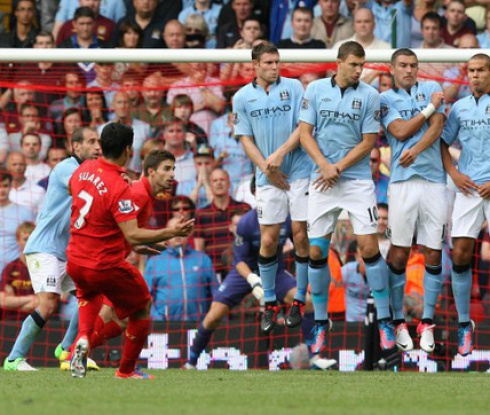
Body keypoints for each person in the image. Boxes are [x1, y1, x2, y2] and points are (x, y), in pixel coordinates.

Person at [66, 122, 194, 379]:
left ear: (101, 146)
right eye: (167, 169)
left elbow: (94, 207)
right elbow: (132, 232)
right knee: (142, 306)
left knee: (99, 304)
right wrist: (173, 232)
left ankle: (81, 343)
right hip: (104, 263)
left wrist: (145, 244)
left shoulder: (84, 169)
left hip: (77, 258)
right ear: (129, 150)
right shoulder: (126, 190)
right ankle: (125, 371)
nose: (171, 174)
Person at [299, 41, 392, 355]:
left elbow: (368, 143)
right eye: (354, 64)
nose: (359, 70)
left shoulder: (369, 95)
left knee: (368, 248)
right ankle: (322, 322)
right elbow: (305, 133)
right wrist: (324, 166)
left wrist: (336, 167)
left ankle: (384, 320)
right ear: (339, 62)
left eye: (362, 65)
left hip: (355, 180)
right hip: (322, 179)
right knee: (315, 251)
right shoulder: (313, 90)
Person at [186, 203, 337, 371]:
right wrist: (252, 279)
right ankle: (190, 362)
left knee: (308, 302)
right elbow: (239, 261)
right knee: (213, 316)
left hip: (275, 272)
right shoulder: (246, 223)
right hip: (245, 273)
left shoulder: (286, 219)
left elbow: (301, 246)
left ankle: (314, 357)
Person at [3, 127, 101, 371]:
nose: (98, 146)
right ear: (76, 147)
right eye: (91, 142)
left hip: (67, 250)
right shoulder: (65, 168)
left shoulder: (95, 172)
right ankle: (14, 359)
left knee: (90, 293)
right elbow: (84, 187)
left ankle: (67, 350)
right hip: (44, 247)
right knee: (47, 304)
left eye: (99, 142)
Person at [233, 41, 312, 333]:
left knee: (301, 234)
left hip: (299, 170)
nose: (274, 67)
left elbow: (304, 128)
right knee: (268, 242)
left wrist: (279, 155)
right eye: (268, 63)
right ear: (255, 65)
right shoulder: (242, 98)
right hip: (268, 176)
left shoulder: (294, 88)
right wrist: (268, 167)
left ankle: (300, 298)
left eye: (277, 62)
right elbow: (245, 139)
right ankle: (269, 302)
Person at [380, 48, 446, 353]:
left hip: (434, 181)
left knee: (433, 252)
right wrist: (428, 111)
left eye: (413, 65)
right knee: (399, 253)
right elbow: (400, 130)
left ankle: (427, 322)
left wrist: (416, 150)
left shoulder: (432, 88)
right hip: (402, 184)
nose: (409, 70)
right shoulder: (386, 99)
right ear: (392, 68)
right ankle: (397, 321)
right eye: (403, 65)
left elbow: (438, 127)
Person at [440, 53, 490, 356]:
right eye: (471, 71)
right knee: (459, 254)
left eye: (481, 70)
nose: (475, 75)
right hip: (469, 188)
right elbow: (443, 144)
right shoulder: (458, 108)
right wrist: (454, 173)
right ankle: (463, 326)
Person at [145, 216, 216, 321]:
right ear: (166, 235)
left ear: (189, 232)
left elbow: (216, 292)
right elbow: (145, 296)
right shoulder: (155, 262)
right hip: (165, 326)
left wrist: (210, 319)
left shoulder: (202, 259)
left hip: (198, 325)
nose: (177, 235)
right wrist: (157, 319)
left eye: (181, 230)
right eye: (173, 230)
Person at [194, 168, 250, 281]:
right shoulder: (201, 214)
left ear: (229, 183)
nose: (219, 183)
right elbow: (199, 248)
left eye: (222, 180)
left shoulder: (244, 209)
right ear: (210, 185)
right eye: (215, 181)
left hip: (244, 270)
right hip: (215, 273)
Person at [0, 221, 37, 321]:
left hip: (36, 322)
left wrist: (14, 302)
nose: (29, 243)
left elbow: (43, 303)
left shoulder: (43, 268)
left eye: (32, 239)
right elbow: (3, 302)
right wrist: (31, 298)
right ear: (18, 241)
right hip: (9, 323)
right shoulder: (10, 268)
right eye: (25, 239)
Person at [0, 172, 35, 276]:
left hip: (14, 274)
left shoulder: (25, 212)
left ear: (11, 186)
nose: (2, 190)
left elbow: (33, 244)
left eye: (5, 186)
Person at [6, 151, 46, 216]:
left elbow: (43, 217)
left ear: (26, 166)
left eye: (21, 164)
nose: (18, 168)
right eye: (14, 164)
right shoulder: (2, 190)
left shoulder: (39, 190)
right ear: (7, 167)